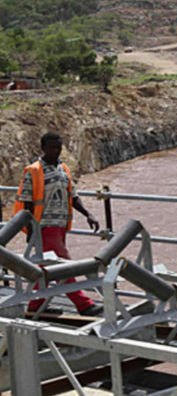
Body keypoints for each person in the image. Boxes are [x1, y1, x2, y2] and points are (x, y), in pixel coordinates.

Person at [13, 132, 103, 316]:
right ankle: (83, 304)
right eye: (52, 147)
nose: (56, 151)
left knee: (46, 267)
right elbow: (27, 201)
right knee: (63, 264)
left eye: (58, 147)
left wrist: (88, 214)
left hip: (61, 225)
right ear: (43, 148)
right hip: (43, 226)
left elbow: (73, 196)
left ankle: (35, 306)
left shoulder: (64, 169)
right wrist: (30, 229)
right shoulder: (33, 170)